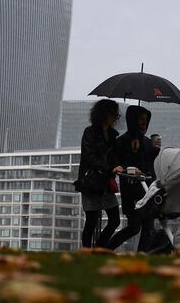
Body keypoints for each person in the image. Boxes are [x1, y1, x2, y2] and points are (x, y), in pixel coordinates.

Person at [106, 105, 161, 251]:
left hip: (147, 189)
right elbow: (116, 163)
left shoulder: (148, 143)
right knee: (134, 226)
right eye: (140, 120)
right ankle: (107, 249)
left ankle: (142, 255)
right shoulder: (121, 142)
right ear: (133, 121)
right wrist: (130, 161)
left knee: (148, 225)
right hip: (131, 191)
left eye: (146, 120)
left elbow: (151, 167)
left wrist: (155, 152)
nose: (144, 123)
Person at [77, 99, 123, 248]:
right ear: (105, 114)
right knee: (91, 219)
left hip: (106, 183)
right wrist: (109, 169)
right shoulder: (89, 132)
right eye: (114, 114)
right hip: (91, 181)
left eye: (117, 115)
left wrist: (117, 166)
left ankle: (99, 248)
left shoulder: (113, 135)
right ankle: (86, 251)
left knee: (114, 219)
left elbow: (115, 156)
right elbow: (89, 156)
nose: (116, 118)